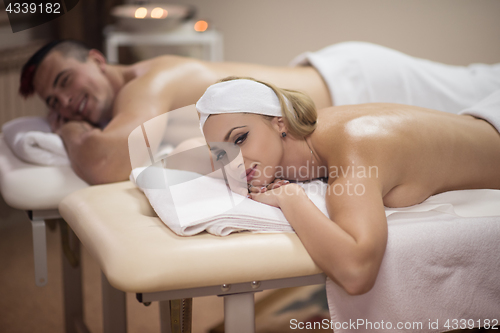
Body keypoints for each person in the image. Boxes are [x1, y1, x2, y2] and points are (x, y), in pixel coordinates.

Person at [19, 40, 500, 184]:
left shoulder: (150, 80)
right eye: (54, 105)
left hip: (359, 84)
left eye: (65, 83)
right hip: (336, 88)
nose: (64, 104)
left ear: (97, 61)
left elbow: (104, 162)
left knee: (483, 92)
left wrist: (72, 130)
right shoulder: (150, 93)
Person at [197, 77, 500, 295]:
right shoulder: (316, 137)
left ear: (279, 123)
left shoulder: (353, 146)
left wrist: (291, 198)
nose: (234, 163)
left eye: (240, 139)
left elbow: (357, 273)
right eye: (221, 154)